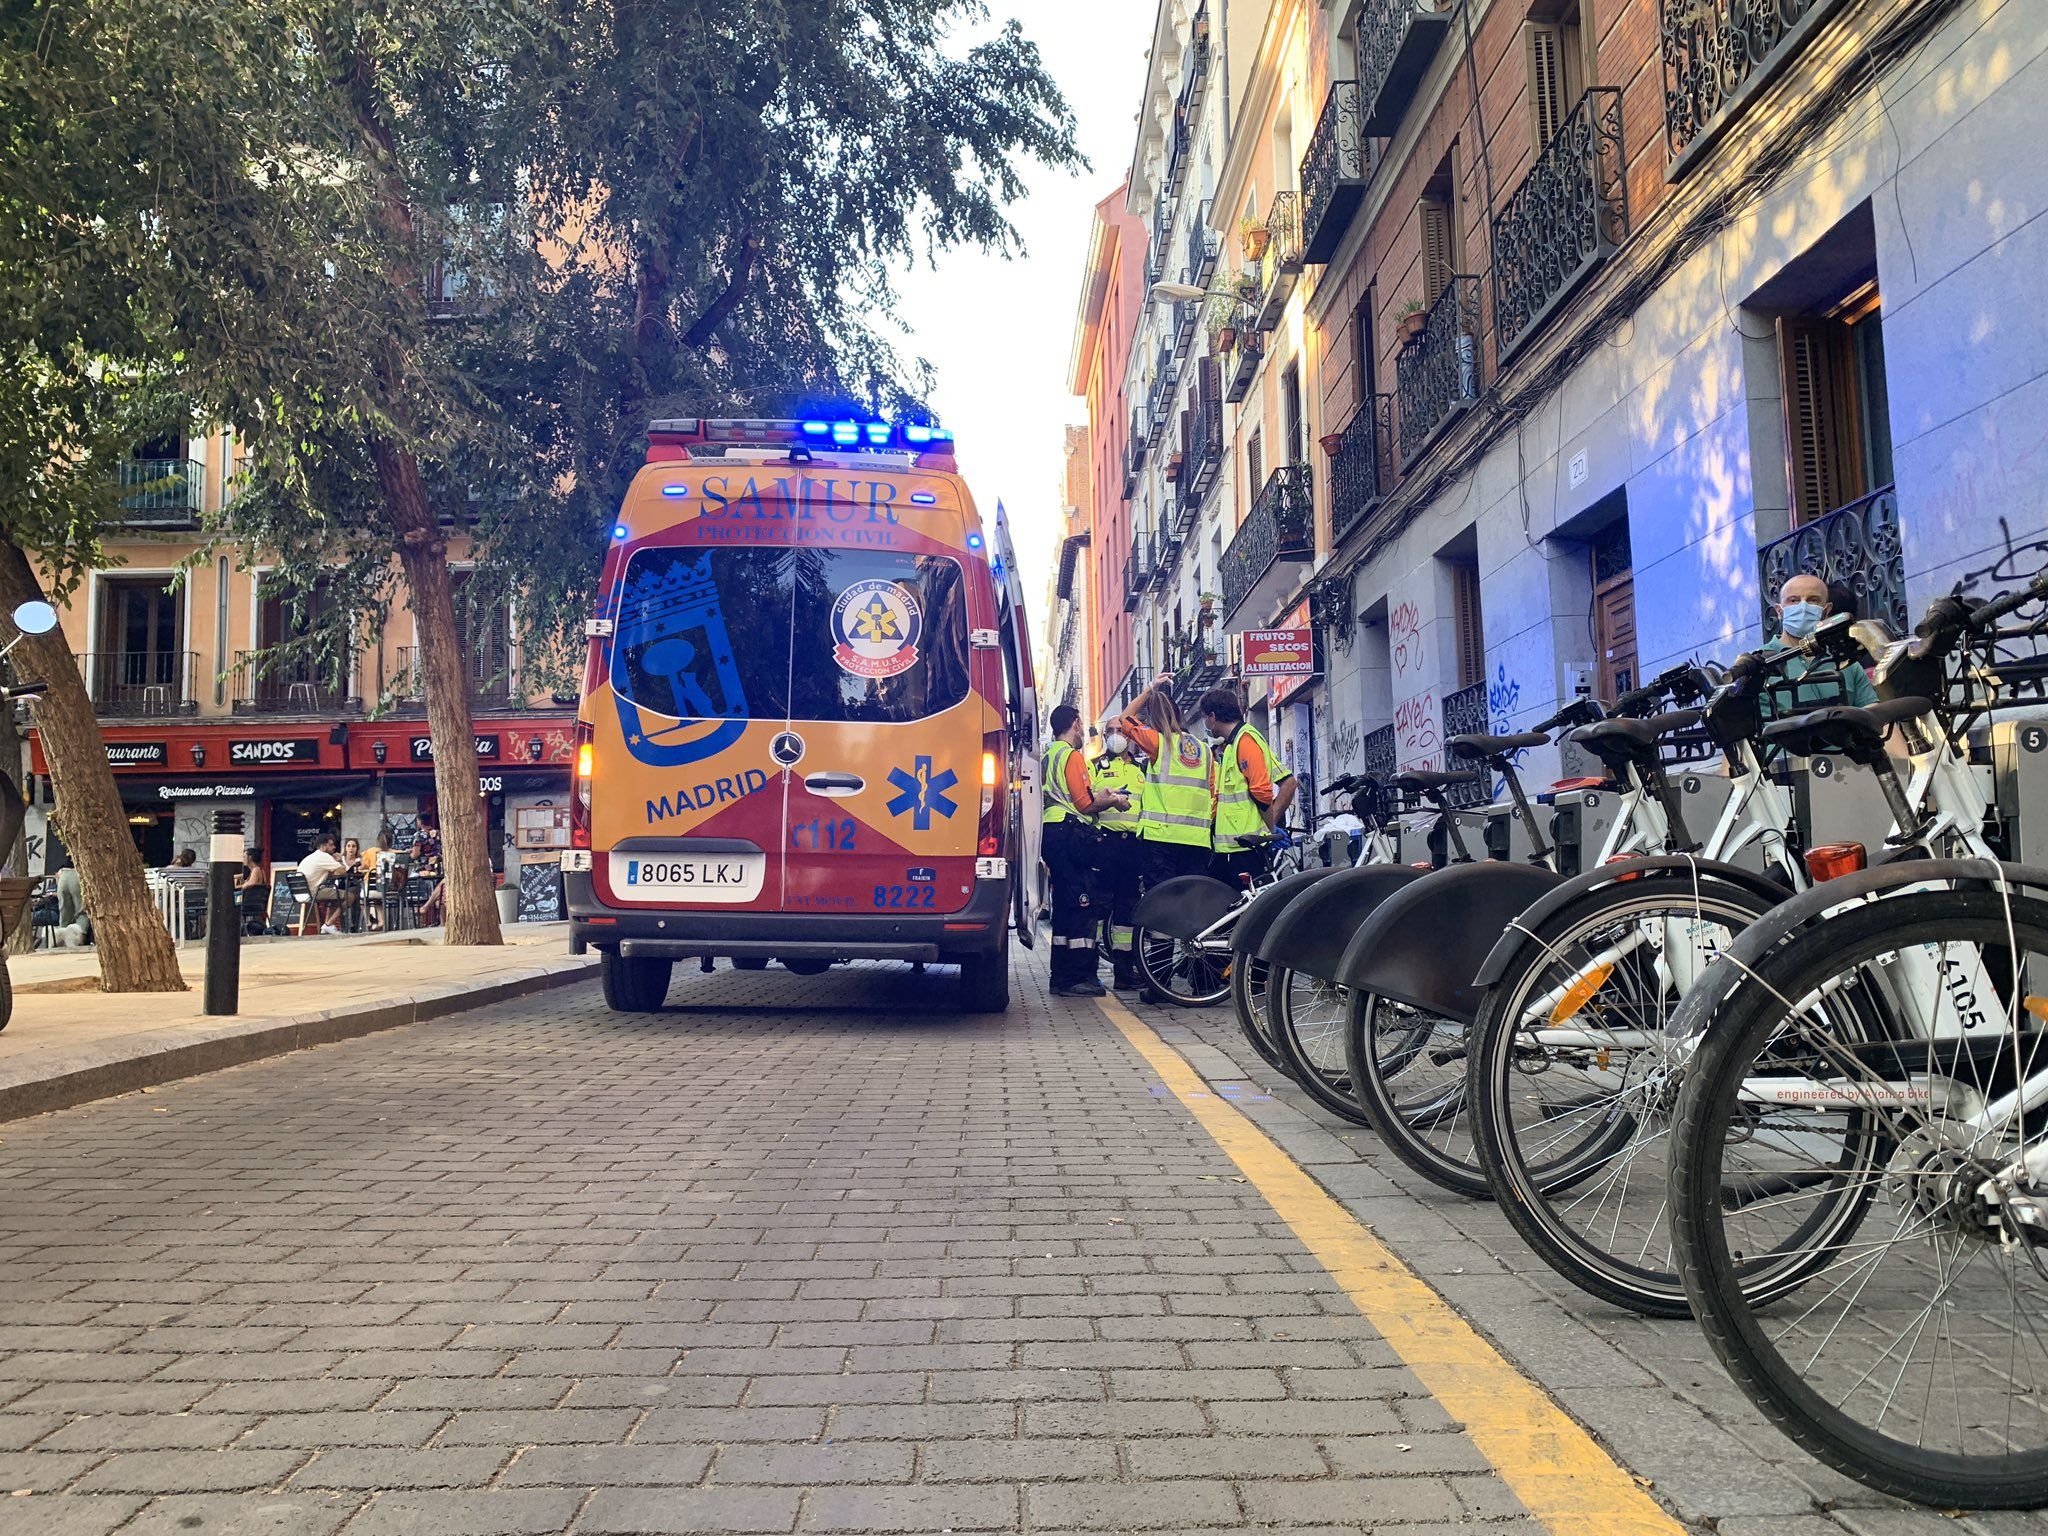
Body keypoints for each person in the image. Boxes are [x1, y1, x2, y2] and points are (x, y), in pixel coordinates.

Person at [1042, 703, 1129, 997]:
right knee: (1082, 902)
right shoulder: (1071, 756)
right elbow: (1084, 804)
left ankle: (1060, 975)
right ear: (1076, 723)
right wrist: (1114, 801)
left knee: (1065, 905)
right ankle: (1080, 975)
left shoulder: (1047, 755)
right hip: (1071, 834)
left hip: (1052, 832)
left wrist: (1098, 796)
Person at [1115, 675, 1216, 893]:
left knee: (1162, 901)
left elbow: (1124, 718)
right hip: (1197, 841)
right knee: (1191, 902)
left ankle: (1161, 930)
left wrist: (1150, 688)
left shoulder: (1157, 742)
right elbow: (1213, 794)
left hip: (1161, 840)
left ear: (1152, 720)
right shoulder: (1205, 751)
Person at [1199, 686, 1297, 886]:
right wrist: (1270, 827)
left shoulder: (1246, 741)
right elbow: (1288, 781)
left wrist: (1269, 828)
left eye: (1204, 717)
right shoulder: (1237, 743)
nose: (1205, 723)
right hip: (1234, 848)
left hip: (1243, 849)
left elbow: (1262, 791)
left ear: (1212, 716)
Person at [1764, 571, 1879, 714]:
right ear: (1779, 612)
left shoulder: (1845, 661)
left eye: (1813, 600)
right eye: (1793, 600)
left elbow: (1874, 714)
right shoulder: (1761, 662)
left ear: (1826, 611)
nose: (1803, 607)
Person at [1088, 727, 1147, 988]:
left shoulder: (1142, 769)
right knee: (1097, 906)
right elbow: (1086, 802)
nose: (1115, 735)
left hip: (1132, 846)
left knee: (1128, 908)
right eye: (1109, 730)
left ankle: (1124, 972)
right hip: (1104, 843)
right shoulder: (1094, 767)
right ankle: (1089, 969)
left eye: (1119, 730)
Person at [296, 834, 349, 935]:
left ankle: (327, 926)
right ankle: (328, 925)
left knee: (335, 895)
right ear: (323, 846)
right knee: (350, 896)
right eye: (331, 845)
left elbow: (331, 872)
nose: (334, 847)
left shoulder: (311, 857)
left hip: (301, 893)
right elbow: (343, 871)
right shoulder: (324, 856)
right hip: (314, 892)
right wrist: (340, 859)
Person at [237, 848, 272, 936]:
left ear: (250, 858)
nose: (243, 858)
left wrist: (240, 886)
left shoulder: (256, 870)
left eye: (244, 856)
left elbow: (250, 883)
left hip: (251, 904)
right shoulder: (258, 870)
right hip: (256, 904)